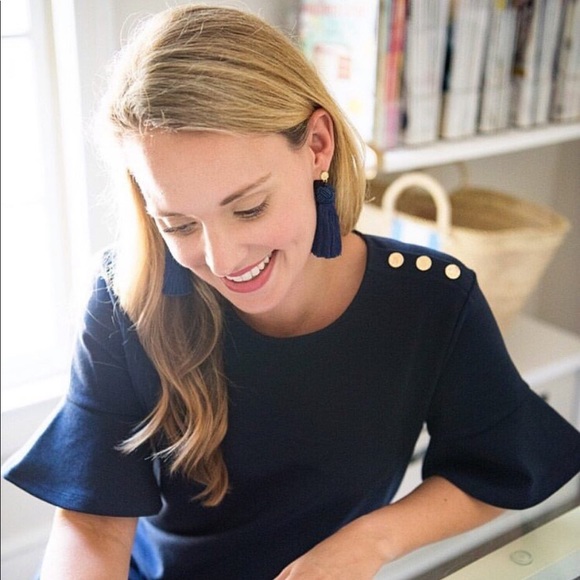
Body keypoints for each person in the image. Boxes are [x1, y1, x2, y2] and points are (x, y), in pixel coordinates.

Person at [3, 4, 580, 579]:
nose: (222, 260)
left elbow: (500, 467)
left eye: (249, 208)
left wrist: (370, 541)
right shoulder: (127, 299)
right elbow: (94, 523)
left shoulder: (432, 301)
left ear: (318, 146)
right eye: (178, 224)